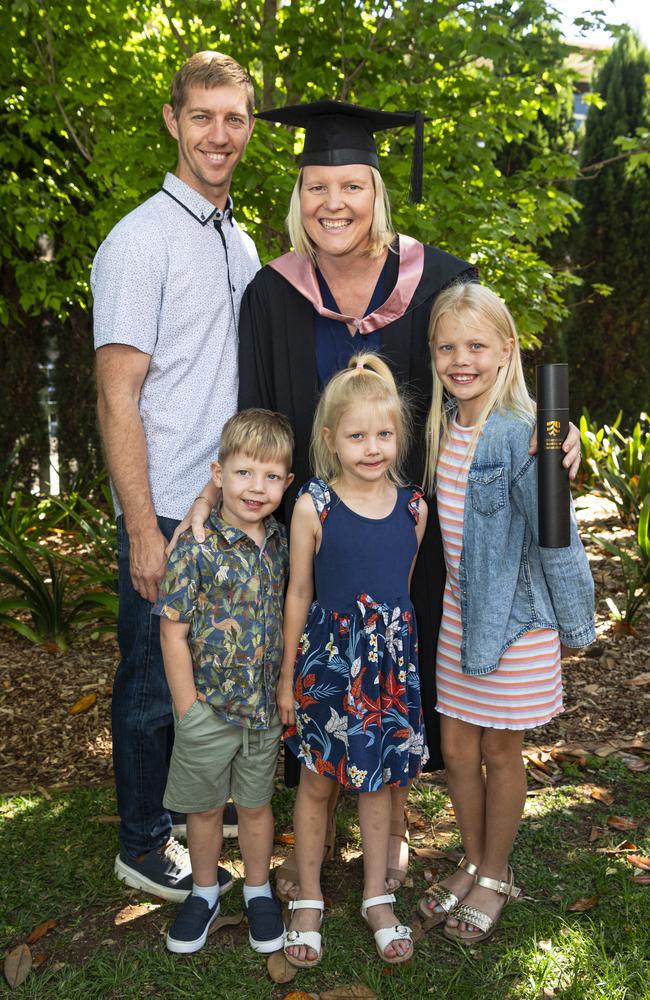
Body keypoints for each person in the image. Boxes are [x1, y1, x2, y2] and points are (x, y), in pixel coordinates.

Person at [180, 100, 582, 897]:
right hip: (317, 534)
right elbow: (258, 414)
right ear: (300, 198)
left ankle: (393, 840)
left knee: (405, 692)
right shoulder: (272, 293)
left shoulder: (438, 277)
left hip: (424, 539)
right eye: (318, 185)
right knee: (323, 681)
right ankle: (320, 846)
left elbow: (490, 373)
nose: (335, 202)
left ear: (377, 191)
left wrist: (555, 435)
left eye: (352, 185)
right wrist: (218, 488)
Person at [92, 50, 260, 899]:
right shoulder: (139, 241)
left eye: (233, 118)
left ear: (250, 128)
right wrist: (140, 528)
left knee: (215, 672)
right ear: (173, 121)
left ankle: (199, 807)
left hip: (230, 509)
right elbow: (118, 398)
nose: (218, 135)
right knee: (152, 682)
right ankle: (142, 841)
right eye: (203, 116)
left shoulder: (242, 240)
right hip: (163, 508)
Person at [418, 283, 595, 942]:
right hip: (460, 617)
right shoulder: (443, 427)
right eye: (447, 347)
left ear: (506, 350)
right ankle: (470, 855)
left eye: (475, 345)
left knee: (500, 747)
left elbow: (559, 537)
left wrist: (576, 624)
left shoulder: (523, 432)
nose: (460, 359)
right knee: (458, 747)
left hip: (518, 624)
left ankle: (495, 873)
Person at [277, 354, 427, 968]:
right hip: (328, 667)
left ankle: (374, 896)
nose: (372, 448)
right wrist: (288, 677)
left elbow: (400, 593)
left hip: (387, 671)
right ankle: (308, 896)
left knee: (379, 785)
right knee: (317, 782)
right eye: (357, 435)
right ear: (331, 440)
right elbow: (300, 594)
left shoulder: (414, 508)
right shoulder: (315, 505)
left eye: (384, 434)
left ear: (400, 437)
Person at [152, 409, 293, 954]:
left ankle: (258, 890)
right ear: (217, 473)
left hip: (261, 710)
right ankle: (205, 892)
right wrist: (187, 710)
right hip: (207, 708)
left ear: (286, 481)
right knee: (205, 808)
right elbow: (173, 632)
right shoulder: (197, 545)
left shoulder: (280, 541)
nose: (256, 488)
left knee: (255, 806)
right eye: (243, 474)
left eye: (271, 476)